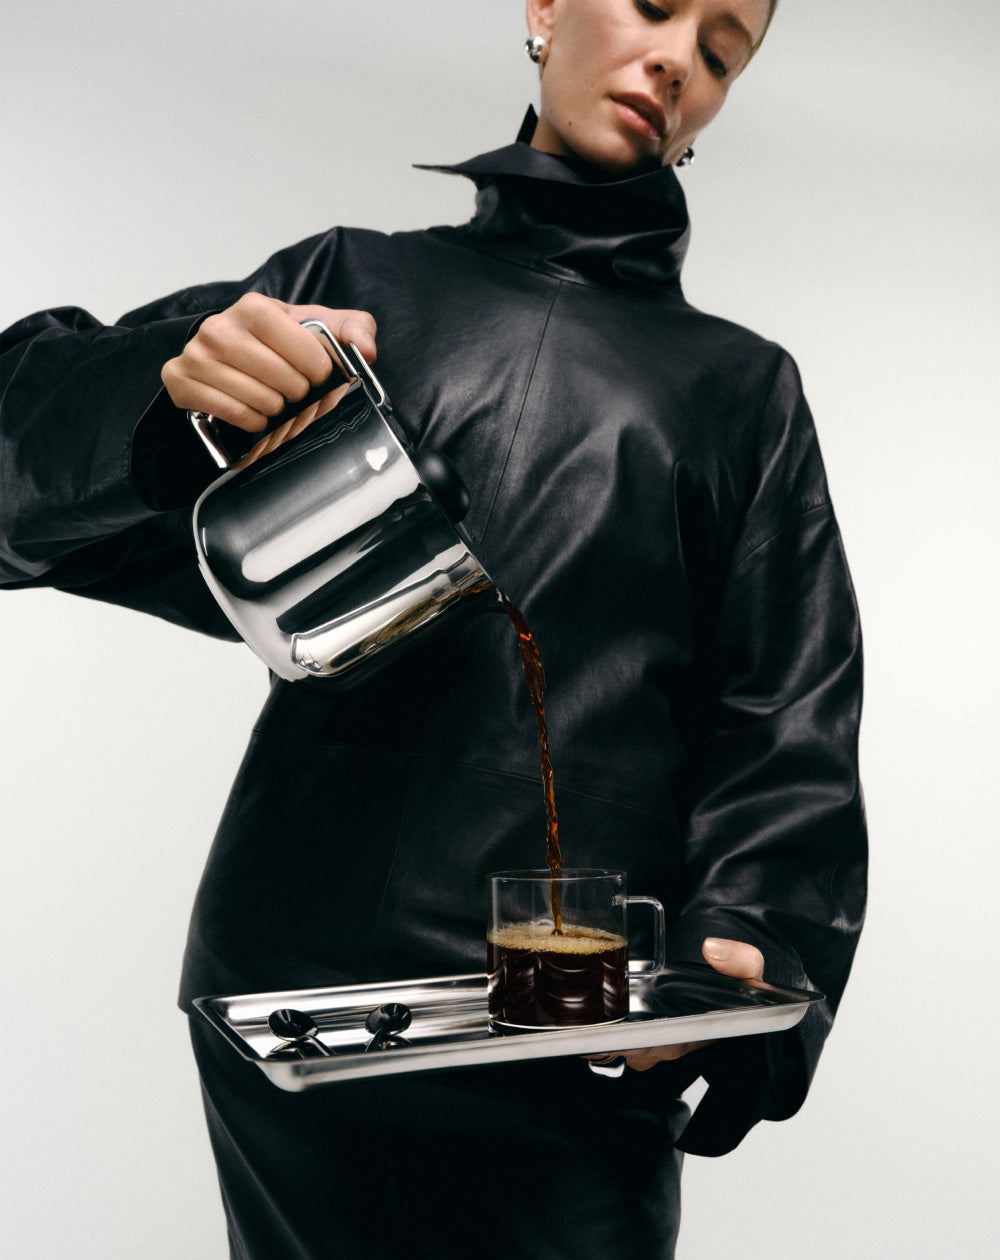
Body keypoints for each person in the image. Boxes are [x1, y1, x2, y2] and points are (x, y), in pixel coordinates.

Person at [0, 1, 866, 1256]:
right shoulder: (346, 287)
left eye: (724, 51)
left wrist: (754, 934)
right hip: (296, 1005)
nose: (678, 57)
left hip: (570, 1020)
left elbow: (787, 708)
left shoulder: (741, 392)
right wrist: (164, 393)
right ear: (546, 8)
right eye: (654, 5)